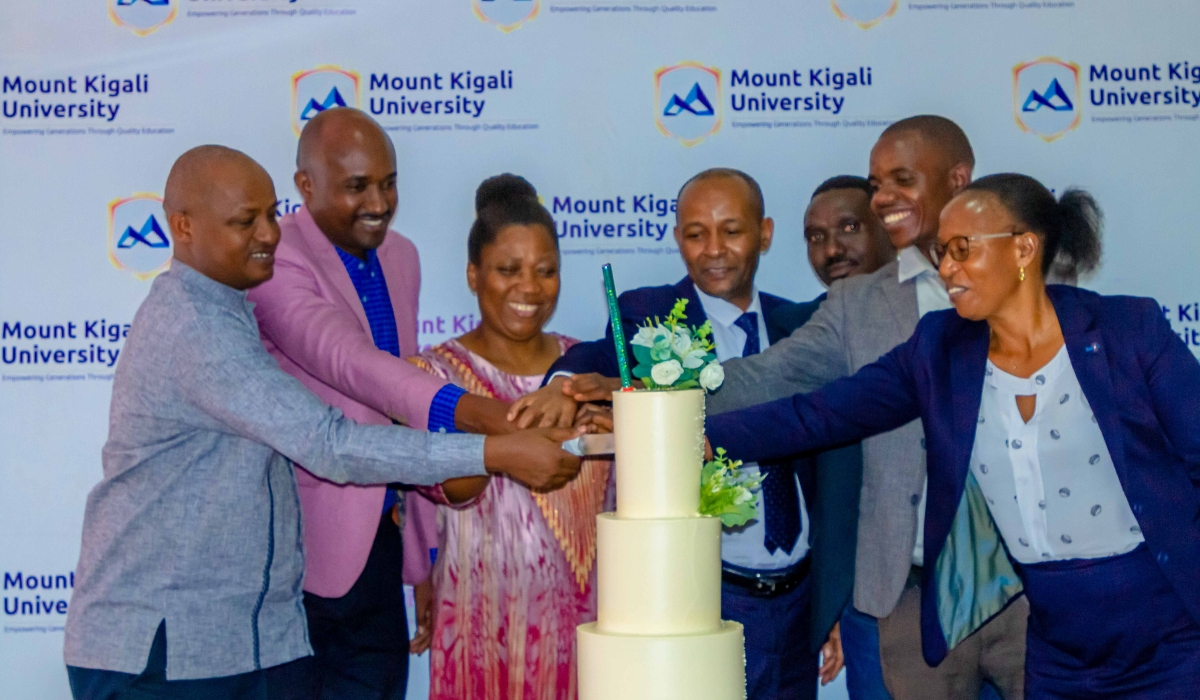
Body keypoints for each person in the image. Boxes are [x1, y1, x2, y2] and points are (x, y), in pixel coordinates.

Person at [62, 146, 581, 700]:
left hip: (249, 642)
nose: (269, 234)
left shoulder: (231, 308)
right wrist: (492, 450)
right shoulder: (195, 327)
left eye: (269, 214)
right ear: (182, 227)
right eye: (246, 221)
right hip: (166, 649)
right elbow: (331, 443)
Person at [708, 173, 1200, 698]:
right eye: (942, 253)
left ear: (1023, 249)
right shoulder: (940, 349)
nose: (946, 269)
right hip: (1057, 649)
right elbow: (818, 416)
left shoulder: (1127, 330)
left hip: (1169, 636)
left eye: (962, 250)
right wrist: (685, 435)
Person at [706, 116, 1027, 700]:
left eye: (902, 179)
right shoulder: (856, 305)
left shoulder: (1032, 280)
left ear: (958, 178)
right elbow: (769, 378)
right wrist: (651, 399)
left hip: (1030, 593)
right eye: (878, 184)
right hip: (906, 601)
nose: (885, 199)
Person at [510, 168, 841, 700]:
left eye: (731, 231)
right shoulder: (650, 314)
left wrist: (832, 598)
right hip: (708, 594)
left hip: (800, 597)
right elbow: (589, 359)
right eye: (695, 233)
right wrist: (561, 385)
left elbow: (830, 470)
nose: (713, 250)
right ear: (678, 240)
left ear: (766, 234)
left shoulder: (799, 324)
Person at [245, 108, 513, 699]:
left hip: (380, 551)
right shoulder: (275, 257)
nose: (380, 201)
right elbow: (352, 364)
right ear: (305, 186)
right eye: (357, 186)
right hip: (295, 559)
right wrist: (486, 418)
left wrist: (418, 556)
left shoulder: (403, 256)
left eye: (389, 182)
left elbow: (401, 411)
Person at [404, 174, 611, 700]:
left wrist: (616, 418)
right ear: (473, 275)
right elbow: (449, 489)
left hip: (591, 635)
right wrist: (511, 441)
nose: (530, 288)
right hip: (481, 634)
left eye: (546, 272)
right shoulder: (432, 376)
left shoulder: (586, 368)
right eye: (508, 270)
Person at [768, 175, 895, 700]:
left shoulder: (950, 314)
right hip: (864, 605)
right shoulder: (792, 331)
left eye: (848, 227)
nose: (832, 248)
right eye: (815, 236)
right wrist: (836, 600)